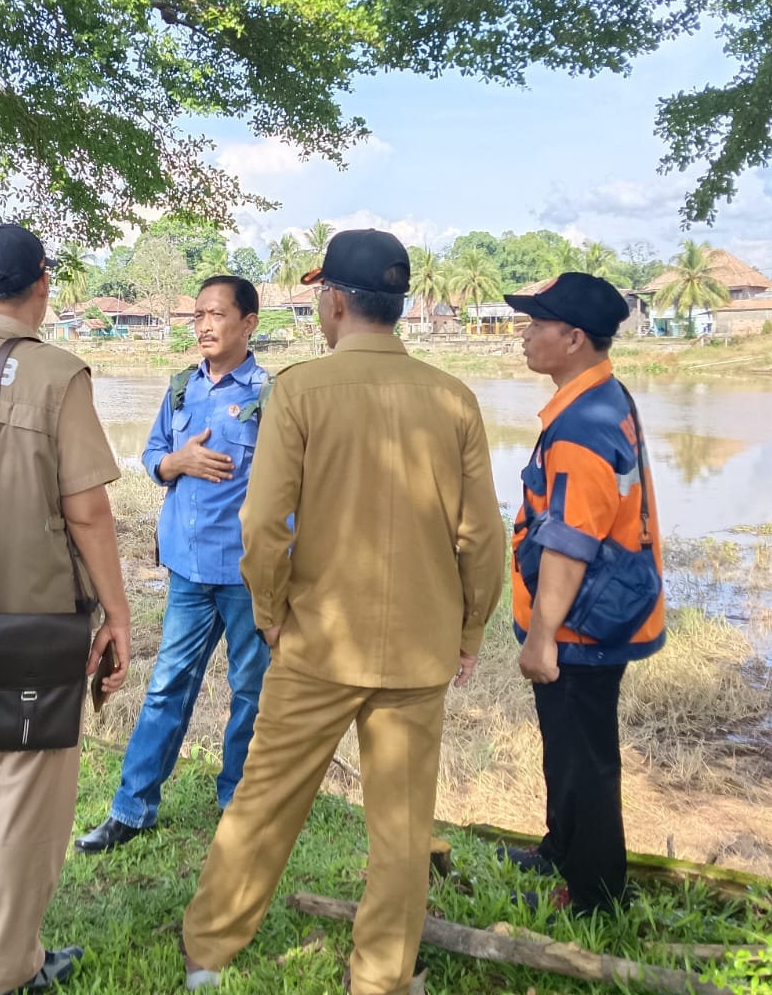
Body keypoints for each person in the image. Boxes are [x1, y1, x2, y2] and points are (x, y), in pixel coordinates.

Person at [179, 230, 508, 995]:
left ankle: (208, 957)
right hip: (421, 649)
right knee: (401, 829)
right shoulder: (453, 397)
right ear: (396, 304)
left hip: (317, 642)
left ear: (333, 302)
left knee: (264, 802)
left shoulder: (297, 390)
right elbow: (482, 537)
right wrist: (468, 630)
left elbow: (262, 526)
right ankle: (381, 979)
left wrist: (269, 610)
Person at [0, 223, 132, 995]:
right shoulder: (54, 374)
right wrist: (117, 613)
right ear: (42, 282)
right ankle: (8, 967)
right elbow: (87, 512)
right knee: (27, 795)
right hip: (35, 619)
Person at [77, 275, 271, 855]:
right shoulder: (183, 387)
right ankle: (131, 809)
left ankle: (237, 807)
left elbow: (295, 486)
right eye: (198, 315)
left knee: (250, 691)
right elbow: (152, 455)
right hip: (187, 571)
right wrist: (178, 461)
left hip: (245, 575)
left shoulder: (271, 396)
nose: (205, 325)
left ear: (249, 323)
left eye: (217, 314)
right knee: (166, 687)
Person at [501, 272, 666, 916]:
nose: (524, 335)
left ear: (572, 338)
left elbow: (571, 542)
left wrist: (542, 638)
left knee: (585, 757)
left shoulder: (581, 426)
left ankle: (597, 896)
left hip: (581, 625)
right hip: (601, 611)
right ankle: (561, 848)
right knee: (566, 745)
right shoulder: (600, 397)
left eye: (536, 325)